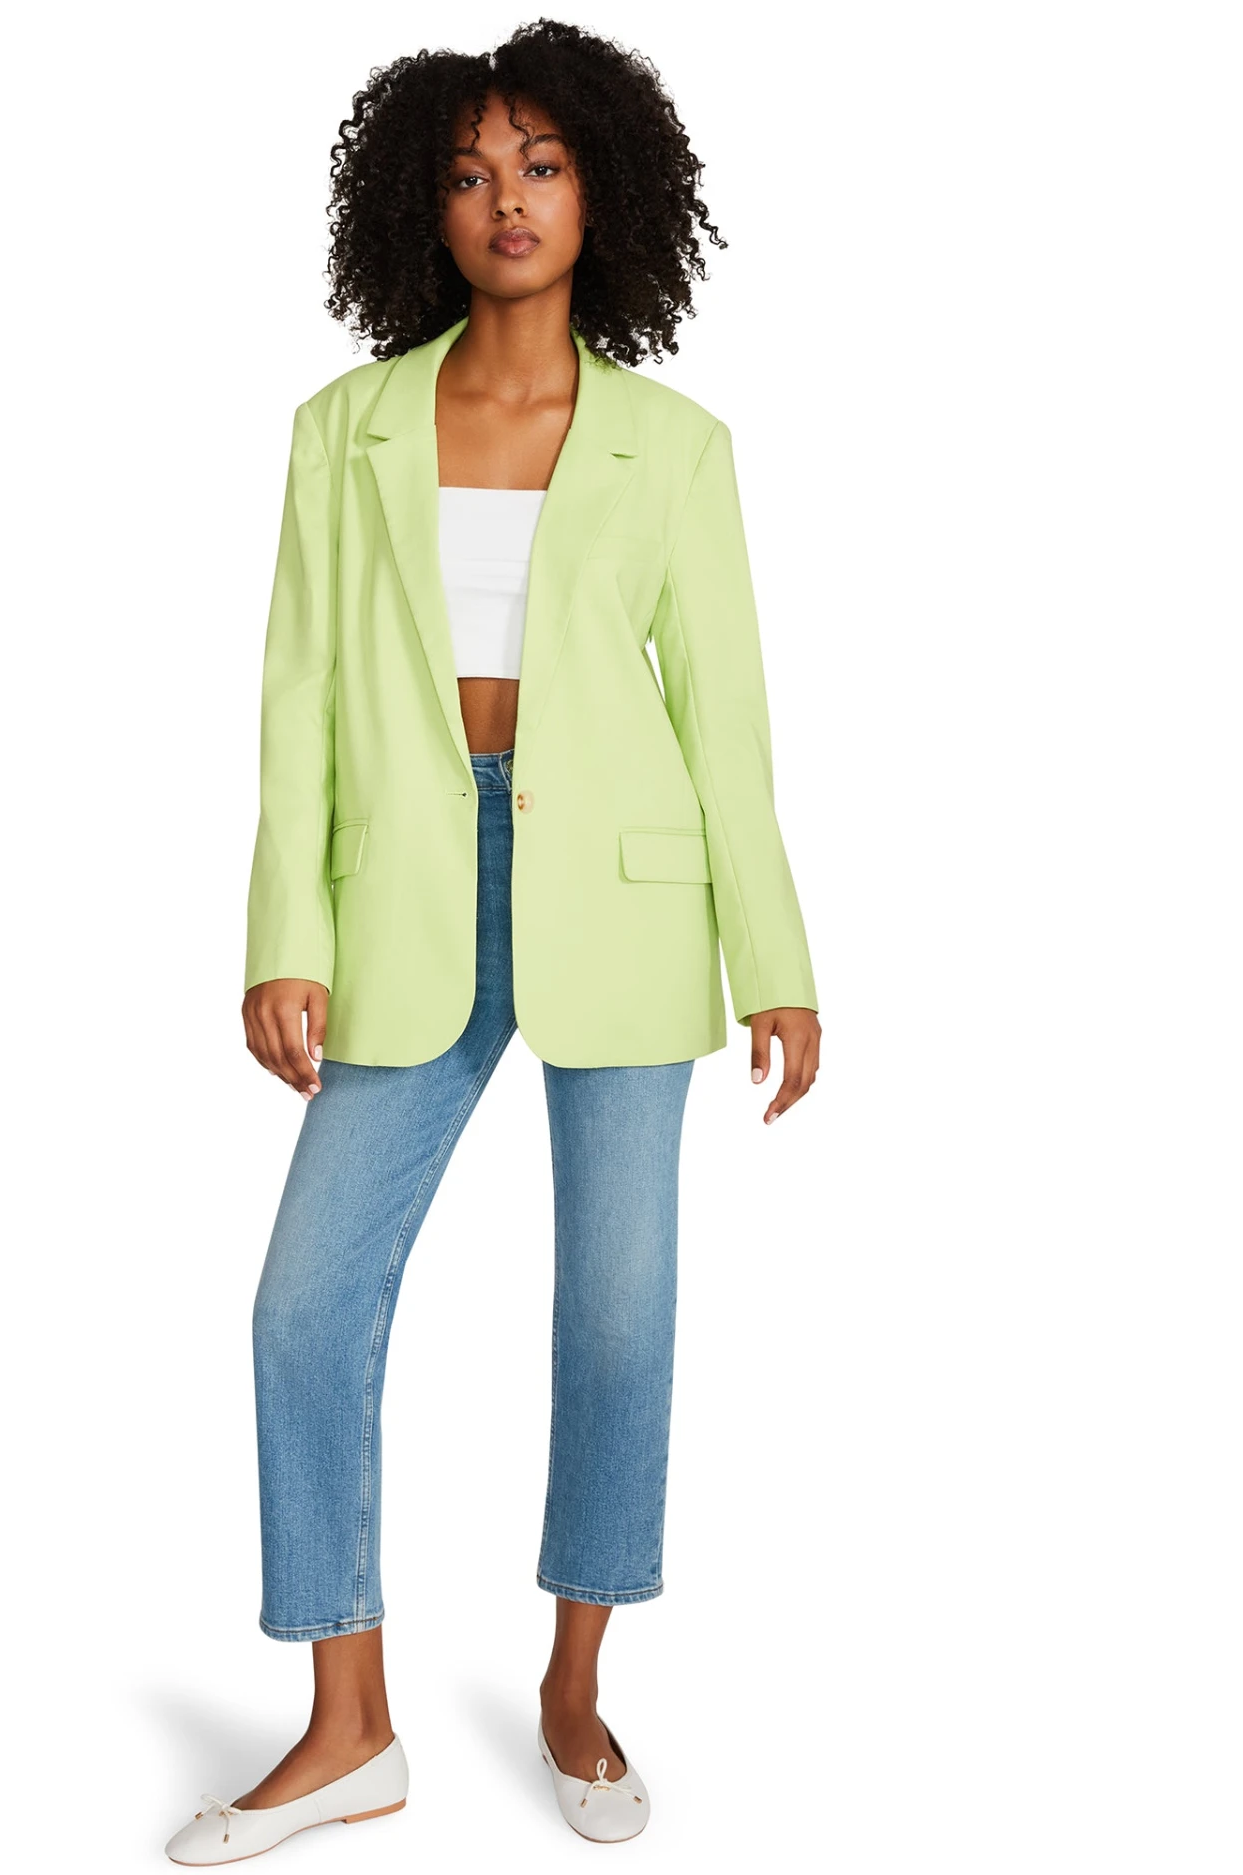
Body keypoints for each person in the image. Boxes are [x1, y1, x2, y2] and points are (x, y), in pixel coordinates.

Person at [165, 20, 821, 1863]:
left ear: (603, 190)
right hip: (406, 884)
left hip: (625, 889)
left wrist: (775, 958)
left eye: (539, 164)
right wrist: (281, 930)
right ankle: (350, 1726)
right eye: (466, 173)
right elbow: (296, 702)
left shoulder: (678, 449)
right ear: (421, 207)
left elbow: (727, 721)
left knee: (617, 1315)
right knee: (305, 1305)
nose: (505, 200)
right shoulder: (342, 430)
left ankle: (575, 1682)